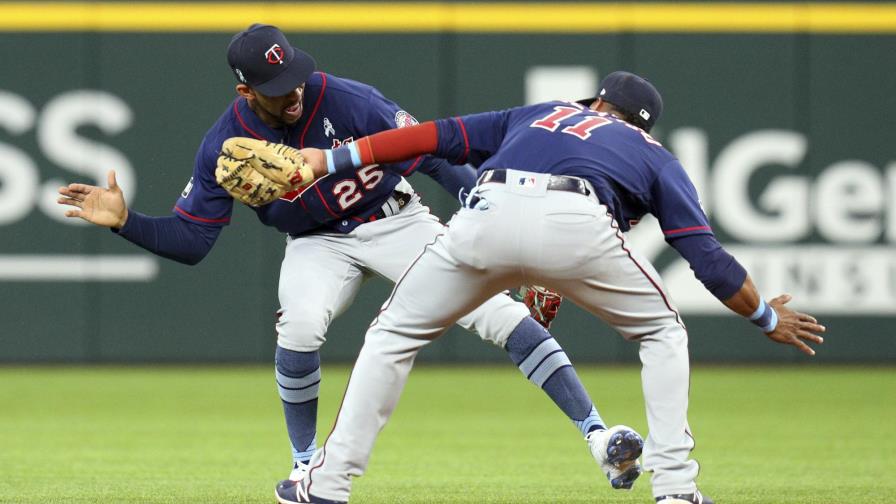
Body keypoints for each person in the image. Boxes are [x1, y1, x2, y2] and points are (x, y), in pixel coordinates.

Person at [55, 25, 645, 498]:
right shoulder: (222, 145)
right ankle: (306, 466)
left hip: (396, 220)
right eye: (276, 86)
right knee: (300, 326)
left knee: (499, 315)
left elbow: (434, 153)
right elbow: (191, 242)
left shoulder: (347, 99)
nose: (293, 91)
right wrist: (127, 222)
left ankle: (598, 435)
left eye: (294, 76)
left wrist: (491, 219)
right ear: (245, 93)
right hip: (316, 241)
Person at [280, 71, 827, 504]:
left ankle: (325, 485)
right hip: (576, 220)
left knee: (391, 336)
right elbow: (707, 259)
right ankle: (676, 488)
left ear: (596, 103)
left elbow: (433, 136)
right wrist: (765, 317)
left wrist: (333, 158)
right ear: (645, 126)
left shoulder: (541, 113)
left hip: (487, 212)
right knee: (663, 333)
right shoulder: (655, 155)